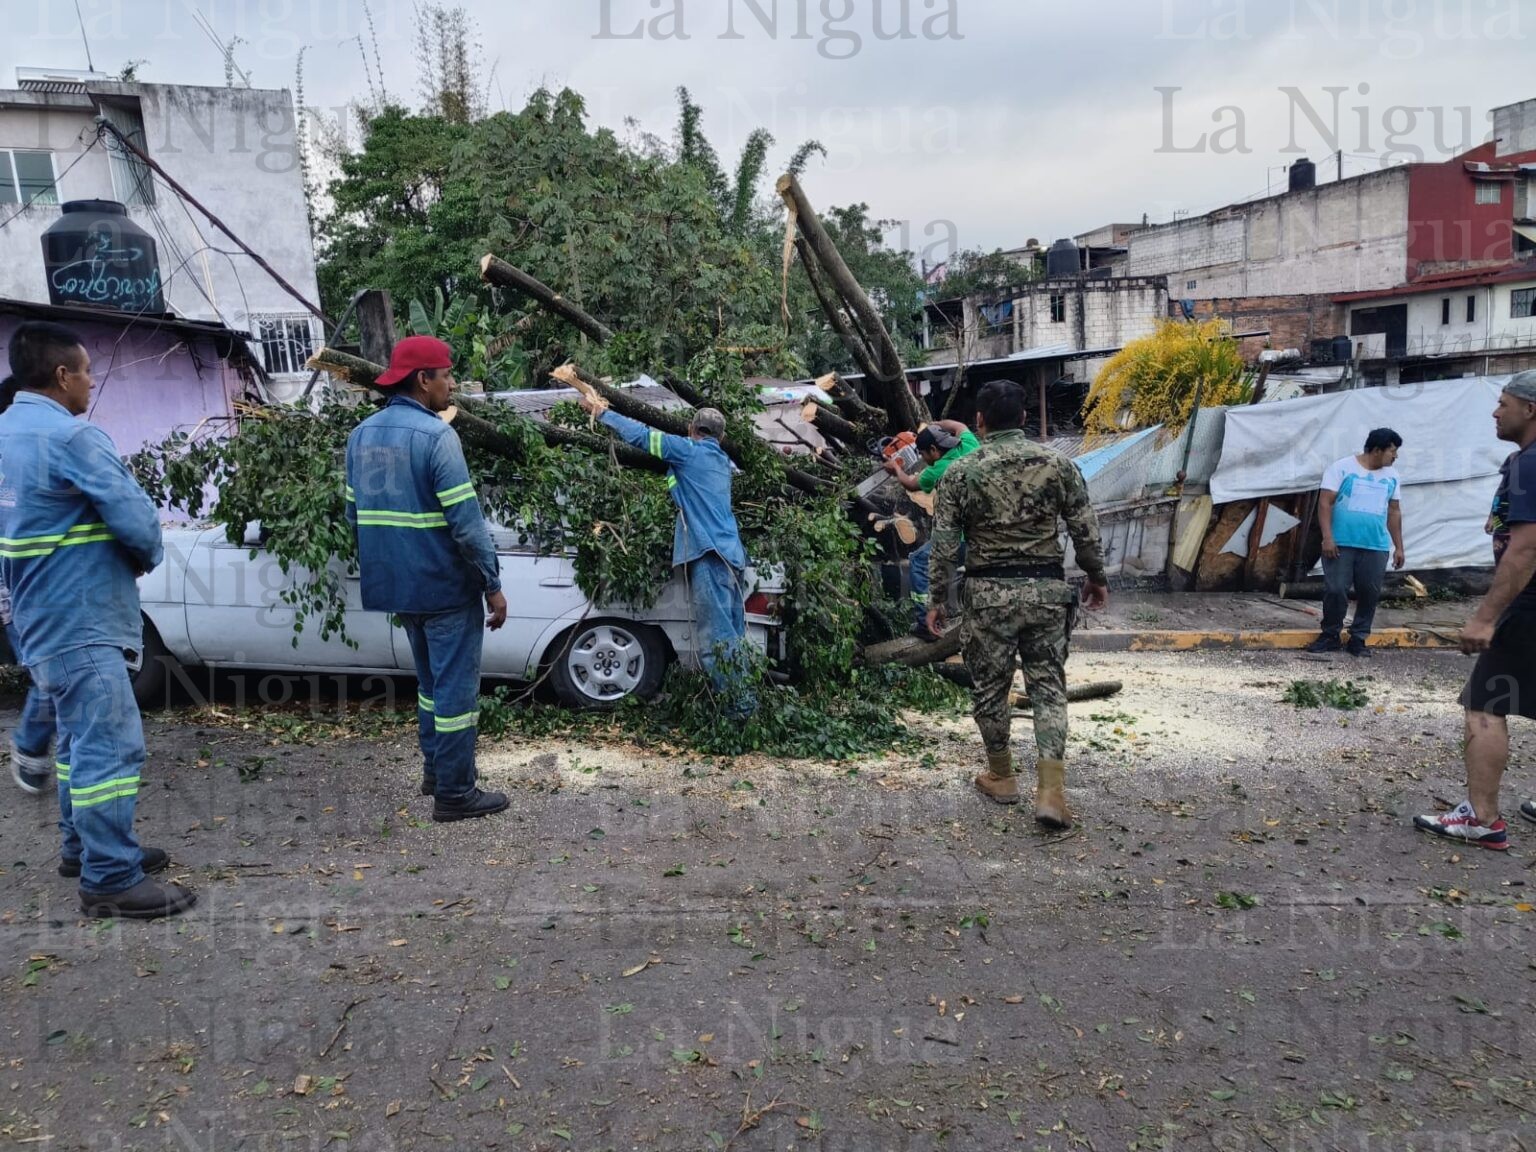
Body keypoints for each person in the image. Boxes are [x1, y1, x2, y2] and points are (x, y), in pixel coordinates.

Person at [0, 322, 191, 918]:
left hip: (35, 615)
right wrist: (147, 557)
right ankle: (110, 877)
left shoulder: (5, 432)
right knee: (110, 745)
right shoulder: (72, 438)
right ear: (62, 376)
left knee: (79, 737)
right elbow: (137, 521)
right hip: (82, 614)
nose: (89, 383)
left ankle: (82, 849)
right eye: (85, 372)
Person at [927, 380, 1109, 828]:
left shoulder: (960, 472)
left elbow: (945, 543)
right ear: (1025, 419)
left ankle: (1003, 776)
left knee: (990, 688)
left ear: (980, 422)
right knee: (1049, 688)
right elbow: (1084, 528)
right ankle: (1050, 792)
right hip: (1047, 592)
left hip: (988, 596)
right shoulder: (1059, 464)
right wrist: (1096, 576)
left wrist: (936, 598)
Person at [345, 335, 510, 822]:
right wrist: (492, 585)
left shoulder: (361, 435)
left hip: (398, 588)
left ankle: (436, 773)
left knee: (430, 686)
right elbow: (466, 524)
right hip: (443, 585)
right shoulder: (438, 437)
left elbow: (355, 516)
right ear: (424, 380)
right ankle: (456, 794)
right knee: (455, 692)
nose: (452, 384)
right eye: (447, 375)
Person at [1414, 372, 1536, 850]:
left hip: (1529, 601)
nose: (1494, 412)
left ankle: (1482, 819)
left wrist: (1485, 617)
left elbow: (1525, 550)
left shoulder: (1530, 464)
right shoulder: (1518, 463)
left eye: (1503, 404)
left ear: (1530, 409)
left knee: (1485, 704)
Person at [575, 391, 754, 714]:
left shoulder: (688, 451)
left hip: (710, 555)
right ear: (721, 437)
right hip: (732, 557)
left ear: (691, 429)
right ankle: (745, 704)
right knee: (733, 636)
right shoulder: (721, 463)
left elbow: (644, 437)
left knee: (718, 641)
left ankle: (739, 712)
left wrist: (601, 413)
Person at [1306, 428, 1406, 657]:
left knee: (1369, 593)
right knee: (1336, 589)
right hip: (1341, 543)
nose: (1395, 456)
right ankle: (1330, 634)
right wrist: (1328, 537)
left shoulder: (1392, 476)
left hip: (1375, 545)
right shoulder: (1342, 468)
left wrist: (1398, 546)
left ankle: (1358, 638)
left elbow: (1394, 511)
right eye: (1392, 451)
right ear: (1377, 450)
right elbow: (1325, 503)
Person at [884, 420, 979, 639]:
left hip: (958, 537)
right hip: (982, 534)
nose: (923, 459)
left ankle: (925, 620)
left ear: (934, 450)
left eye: (924, 454)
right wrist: (934, 424)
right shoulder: (968, 445)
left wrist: (896, 468)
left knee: (919, 561)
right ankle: (943, 608)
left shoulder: (937, 470)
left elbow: (910, 483)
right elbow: (960, 425)